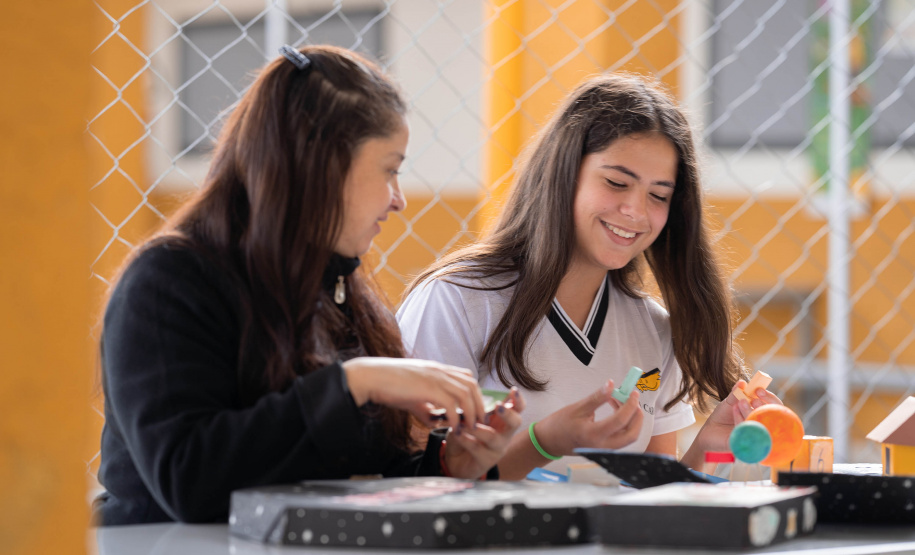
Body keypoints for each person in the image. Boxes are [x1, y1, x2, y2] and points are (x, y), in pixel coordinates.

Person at [94, 45, 523, 526]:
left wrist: (449, 467)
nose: (398, 199)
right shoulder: (167, 280)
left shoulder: (335, 287)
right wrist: (356, 382)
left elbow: (348, 477)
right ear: (323, 167)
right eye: (390, 169)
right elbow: (189, 481)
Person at [397, 73, 780, 480]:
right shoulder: (457, 300)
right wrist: (543, 443)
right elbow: (416, 484)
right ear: (564, 173)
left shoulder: (654, 330)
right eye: (617, 182)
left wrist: (706, 447)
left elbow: (652, 499)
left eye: (659, 195)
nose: (635, 210)